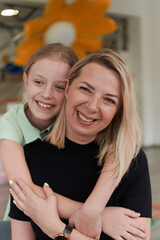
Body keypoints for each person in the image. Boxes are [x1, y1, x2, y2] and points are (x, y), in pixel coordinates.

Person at [9, 49, 151, 240]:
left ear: (118, 111)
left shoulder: (131, 161)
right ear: (68, 89)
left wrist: (56, 228)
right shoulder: (29, 157)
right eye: (85, 89)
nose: (92, 106)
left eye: (108, 100)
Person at [0, 42, 78, 222]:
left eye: (59, 87)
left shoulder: (75, 123)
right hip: (21, 221)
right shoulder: (10, 123)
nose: (47, 94)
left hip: (65, 221)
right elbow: (24, 190)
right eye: (39, 82)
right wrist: (93, 213)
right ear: (26, 81)